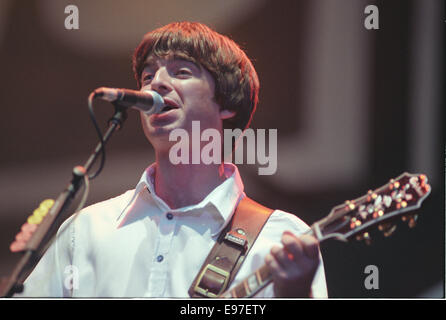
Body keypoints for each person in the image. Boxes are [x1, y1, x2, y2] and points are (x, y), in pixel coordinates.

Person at [16, 21, 327, 298]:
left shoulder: (280, 238)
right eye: (148, 75)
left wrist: (295, 294)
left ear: (227, 102)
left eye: (181, 72)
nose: (157, 83)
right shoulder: (85, 231)